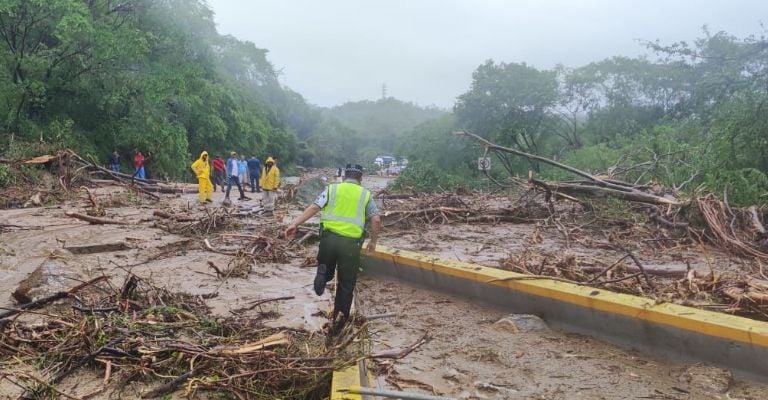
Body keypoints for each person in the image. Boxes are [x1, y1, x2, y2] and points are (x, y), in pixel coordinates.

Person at [284, 164, 381, 334]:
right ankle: (339, 320)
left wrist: (294, 223)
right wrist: (373, 242)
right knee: (346, 284)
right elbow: (376, 220)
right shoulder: (365, 195)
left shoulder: (331, 190)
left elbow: (314, 207)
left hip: (328, 240)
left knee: (327, 269)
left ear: (344, 177)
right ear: (360, 179)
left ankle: (323, 272)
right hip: (351, 245)